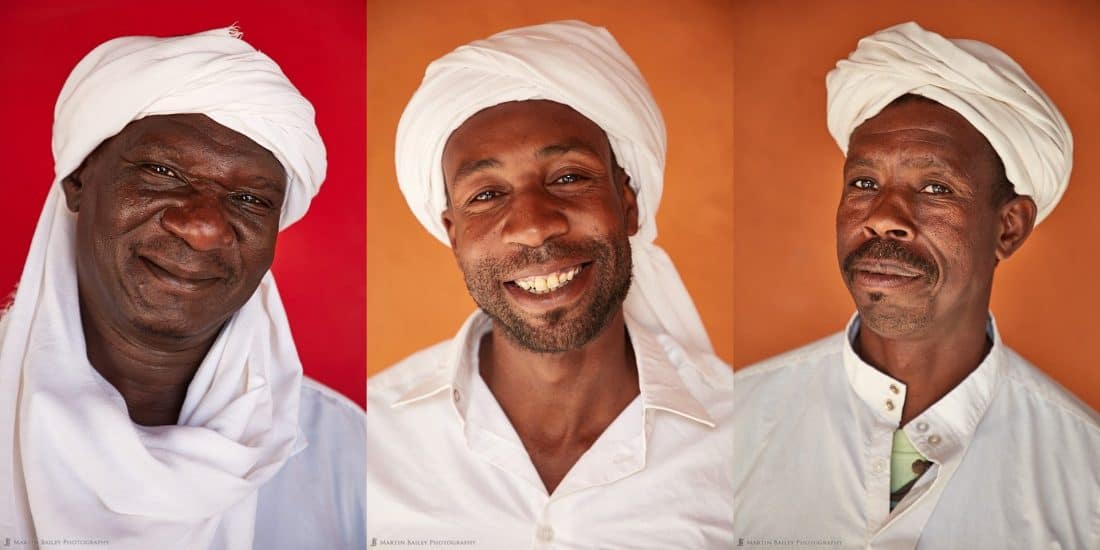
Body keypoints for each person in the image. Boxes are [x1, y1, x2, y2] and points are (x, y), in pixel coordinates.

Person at [733, 22, 1099, 549]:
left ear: (1008, 228)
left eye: (934, 187)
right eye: (864, 184)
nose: (883, 218)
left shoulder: (1086, 480)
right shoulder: (737, 423)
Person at [367, 20, 733, 548]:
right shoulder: (372, 441)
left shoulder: (741, 443)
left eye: (568, 177)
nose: (535, 225)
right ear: (453, 234)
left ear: (627, 205)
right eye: (486, 195)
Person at [0, 27, 364, 550]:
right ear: (78, 181)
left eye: (249, 200)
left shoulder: (347, 455)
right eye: (162, 171)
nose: (203, 227)